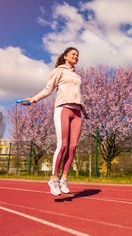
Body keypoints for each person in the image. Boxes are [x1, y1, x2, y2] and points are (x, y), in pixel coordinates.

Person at [24, 47, 88, 196]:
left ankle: (64, 178)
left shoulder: (77, 76)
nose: (76, 56)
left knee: (73, 147)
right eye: (73, 54)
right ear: (65, 56)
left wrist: (84, 111)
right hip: (63, 109)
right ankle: (53, 179)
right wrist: (34, 99)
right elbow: (48, 89)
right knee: (63, 144)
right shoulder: (59, 71)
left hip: (77, 112)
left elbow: (78, 95)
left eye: (77, 55)